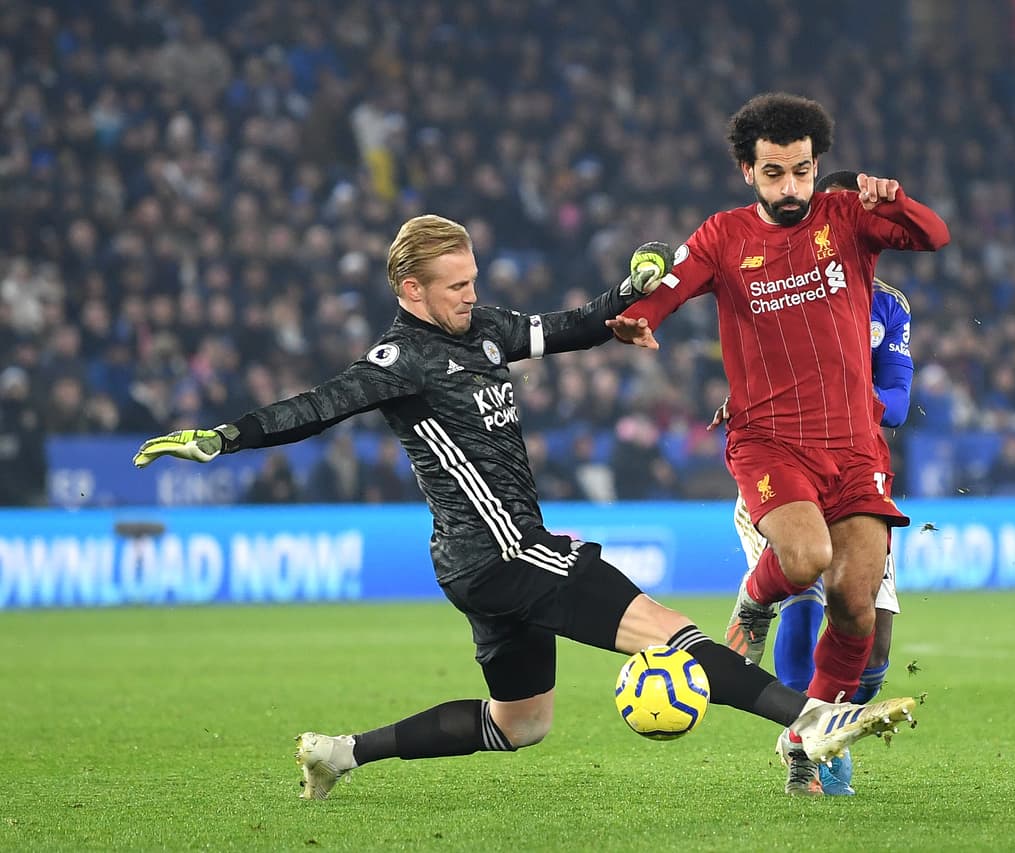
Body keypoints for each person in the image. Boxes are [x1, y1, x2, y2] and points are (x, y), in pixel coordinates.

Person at [130, 214, 918, 800]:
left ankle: (339, 753)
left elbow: (571, 326)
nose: (473, 296)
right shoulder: (399, 359)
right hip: (510, 552)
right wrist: (224, 437)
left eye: (474, 279)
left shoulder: (483, 332)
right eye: (456, 286)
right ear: (410, 290)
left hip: (477, 565)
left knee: (520, 723)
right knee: (673, 633)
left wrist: (633, 291)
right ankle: (812, 721)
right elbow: (317, 405)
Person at [609, 94, 949, 793]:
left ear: (816, 164)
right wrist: (640, 318)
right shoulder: (724, 236)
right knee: (804, 558)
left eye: (800, 172)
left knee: (856, 605)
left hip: (855, 446)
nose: (789, 188)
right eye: (774, 174)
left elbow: (934, 236)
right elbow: (673, 284)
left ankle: (808, 736)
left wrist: (898, 198)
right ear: (746, 170)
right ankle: (752, 602)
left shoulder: (848, 217)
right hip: (771, 440)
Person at [706, 170, 917, 795]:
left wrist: (835, 398)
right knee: (802, 594)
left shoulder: (889, 305)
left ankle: (827, 723)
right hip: (782, 472)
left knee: (872, 640)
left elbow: (899, 403)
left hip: (855, 474)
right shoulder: (779, 280)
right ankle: (809, 748)